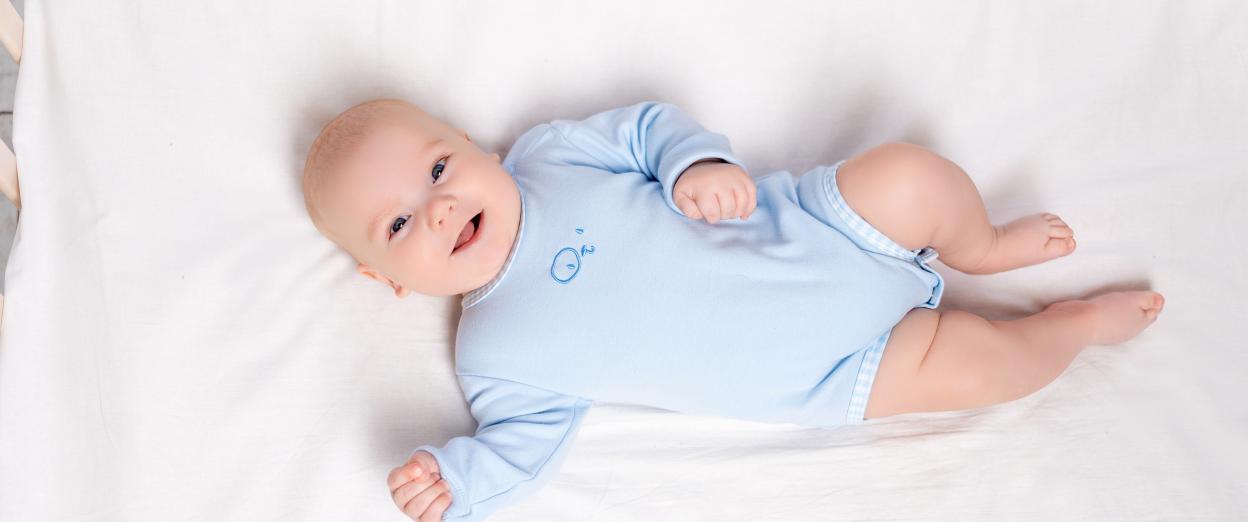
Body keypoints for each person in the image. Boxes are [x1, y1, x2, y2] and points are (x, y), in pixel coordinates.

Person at [301, 99, 1165, 521]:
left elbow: (646, 127)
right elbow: (520, 451)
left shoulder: (551, 157)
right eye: (403, 223)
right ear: (388, 281)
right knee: (986, 369)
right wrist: (457, 479)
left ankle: (981, 246)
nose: (441, 208)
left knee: (911, 174)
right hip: (839, 373)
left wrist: (692, 166)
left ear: (478, 147)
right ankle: (1073, 328)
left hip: (822, 230)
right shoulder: (496, 354)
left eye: (440, 169)